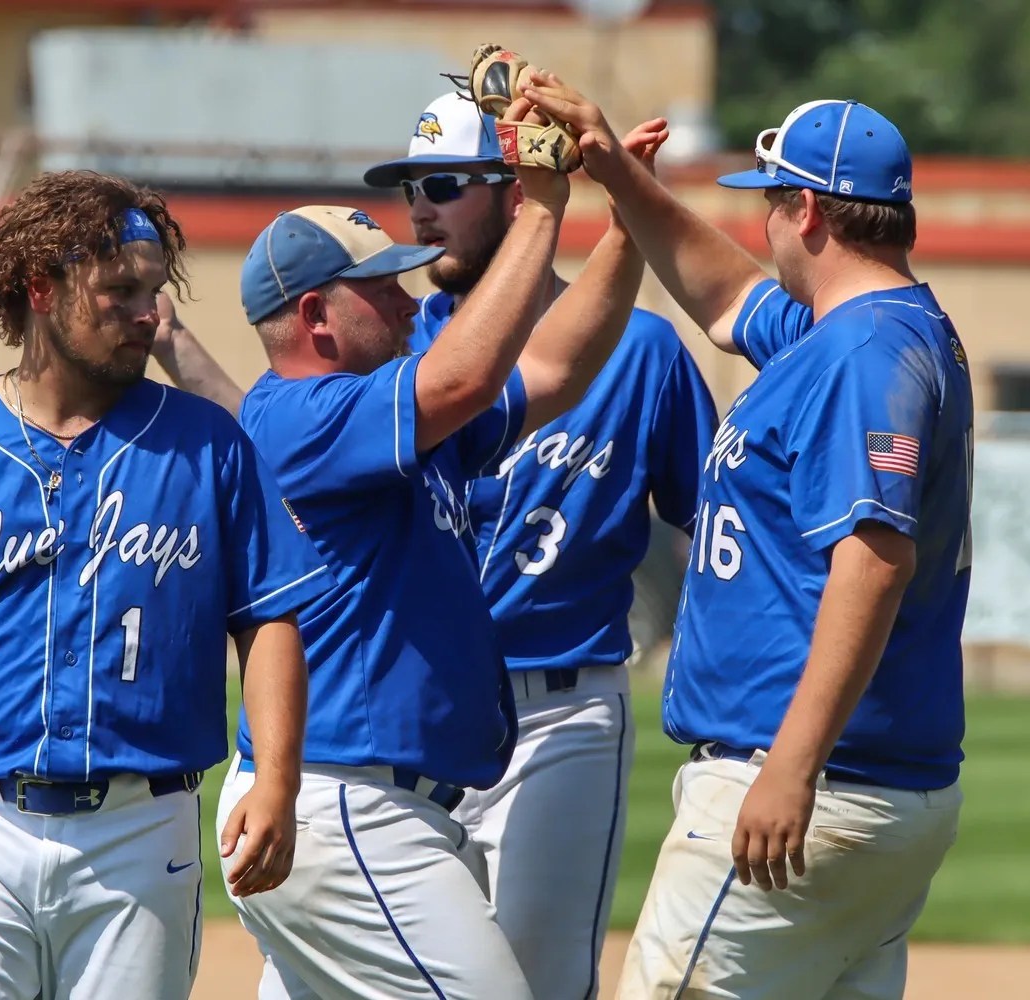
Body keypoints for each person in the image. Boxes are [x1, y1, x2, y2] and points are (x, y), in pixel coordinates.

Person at [0, 170, 330, 999]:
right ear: (40, 289)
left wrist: (279, 782)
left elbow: (270, 621)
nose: (147, 313)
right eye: (119, 290)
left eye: (153, 291)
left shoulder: (208, 444)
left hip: (143, 831)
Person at [521, 76, 973, 998]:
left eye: (769, 203)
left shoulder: (864, 356)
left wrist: (791, 767)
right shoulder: (862, 329)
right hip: (882, 789)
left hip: (809, 778)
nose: (762, 224)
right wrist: (617, 171)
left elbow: (874, 561)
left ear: (805, 209)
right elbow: (726, 299)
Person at [215, 90, 659, 999]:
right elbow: (462, 374)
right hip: (348, 806)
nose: (408, 294)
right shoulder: (301, 417)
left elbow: (555, 366)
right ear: (317, 319)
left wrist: (630, 221)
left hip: (374, 805)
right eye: (382, 285)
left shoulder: (387, 421)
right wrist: (541, 205)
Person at [357, 89, 719, 998]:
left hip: (561, 710)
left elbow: (714, 528)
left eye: (447, 182)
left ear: (521, 195)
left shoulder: (642, 354)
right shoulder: (401, 353)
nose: (422, 207)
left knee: (539, 983)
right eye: (413, 187)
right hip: (415, 709)